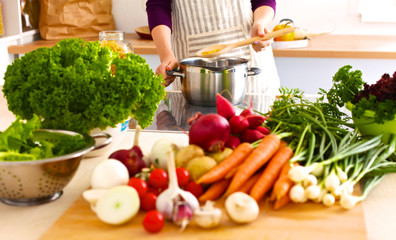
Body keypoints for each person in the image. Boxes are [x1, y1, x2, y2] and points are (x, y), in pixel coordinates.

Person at [146, 0, 280, 108]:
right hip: (192, 75)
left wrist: (260, 23)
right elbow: (158, 4)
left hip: (251, 65)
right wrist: (166, 56)